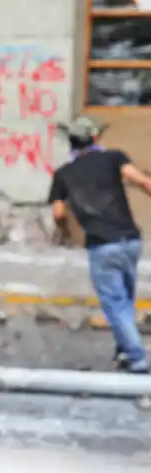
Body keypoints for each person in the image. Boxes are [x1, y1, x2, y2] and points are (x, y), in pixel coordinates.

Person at [49, 117, 150, 374]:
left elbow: (58, 213)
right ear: (95, 138)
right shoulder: (114, 158)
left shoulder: (64, 174)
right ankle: (124, 350)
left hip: (101, 246)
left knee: (115, 303)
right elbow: (143, 182)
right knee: (125, 299)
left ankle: (137, 357)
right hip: (130, 241)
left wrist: (66, 233)